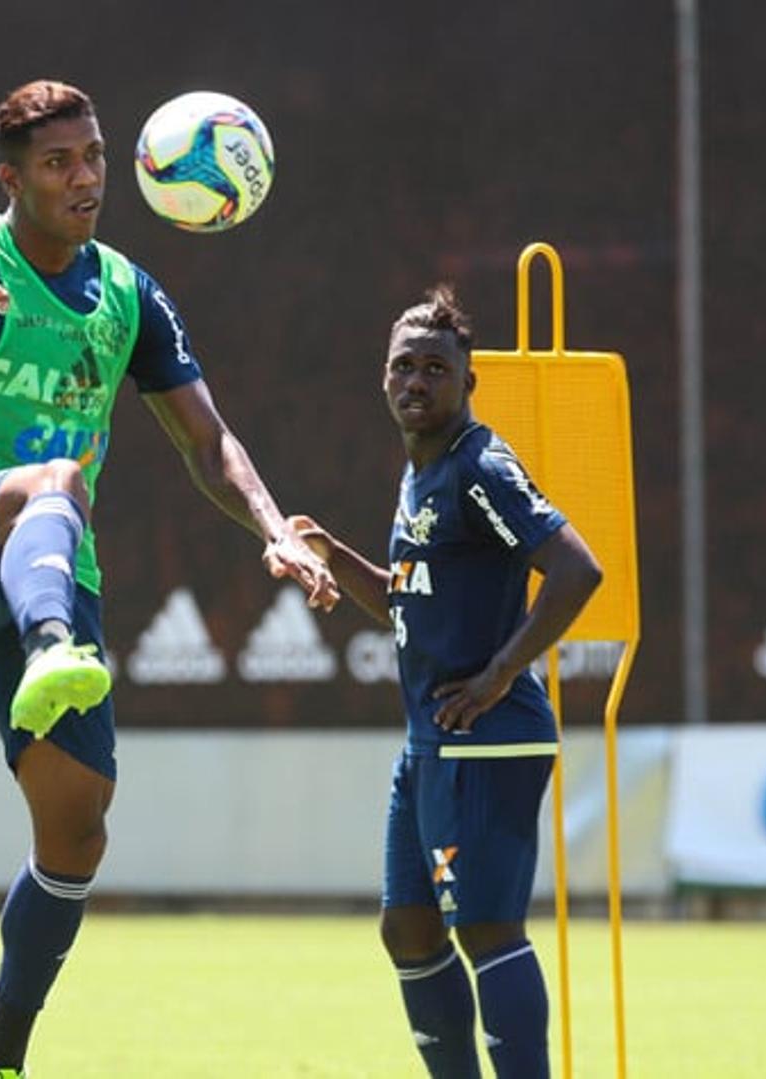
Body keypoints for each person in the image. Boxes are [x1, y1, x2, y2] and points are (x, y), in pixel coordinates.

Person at [0, 79, 338, 1077]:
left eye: (92, 157)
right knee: (55, 476)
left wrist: (273, 529)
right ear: (12, 179)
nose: (84, 178)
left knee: (77, 828)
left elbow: (205, 439)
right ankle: (48, 646)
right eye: (57, 164)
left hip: (52, 563)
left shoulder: (127, 292)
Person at [288, 286, 603, 1078]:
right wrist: (329, 554)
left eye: (436, 367)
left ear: (468, 383)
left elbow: (576, 568)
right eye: (403, 366)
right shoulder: (422, 474)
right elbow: (408, 597)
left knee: (489, 929)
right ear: (383, 377)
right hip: (431, 739)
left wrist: (500, 674)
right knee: (407, 928)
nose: (416, 381)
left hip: (488, 735)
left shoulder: (479, 467)